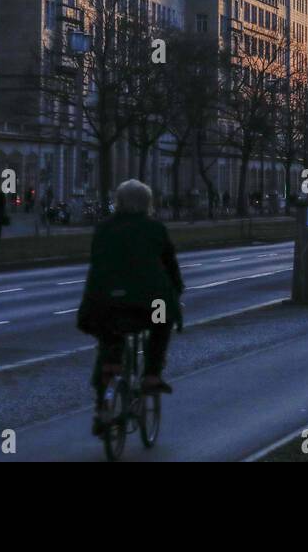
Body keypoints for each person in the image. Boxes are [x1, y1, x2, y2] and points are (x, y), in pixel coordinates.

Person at [78, 180, 184, 436]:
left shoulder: (103, 229)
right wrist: (176, 290)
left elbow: (97, 262)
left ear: (119, 201)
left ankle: (104, 402)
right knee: (161, 323)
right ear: (148, 203)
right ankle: (151, 374)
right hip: (149, 304)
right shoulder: (155, 228)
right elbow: (170, 265)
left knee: (109, 342)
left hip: (104, 303)